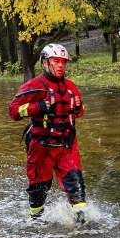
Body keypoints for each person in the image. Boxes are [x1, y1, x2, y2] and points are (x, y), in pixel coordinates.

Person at [8, 43, 87, 223]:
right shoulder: (34, 86)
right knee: (39, 189)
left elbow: (80, 111)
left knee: (76, 187)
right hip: (41, 147)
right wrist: (37, 107)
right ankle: (36, 222)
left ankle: (83, 224)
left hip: (67, 147)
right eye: (56, 61)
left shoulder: (71, 87)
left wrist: (79, 107)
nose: (61, 65)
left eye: (63, 62)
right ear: (45, 63)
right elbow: (13, 111)